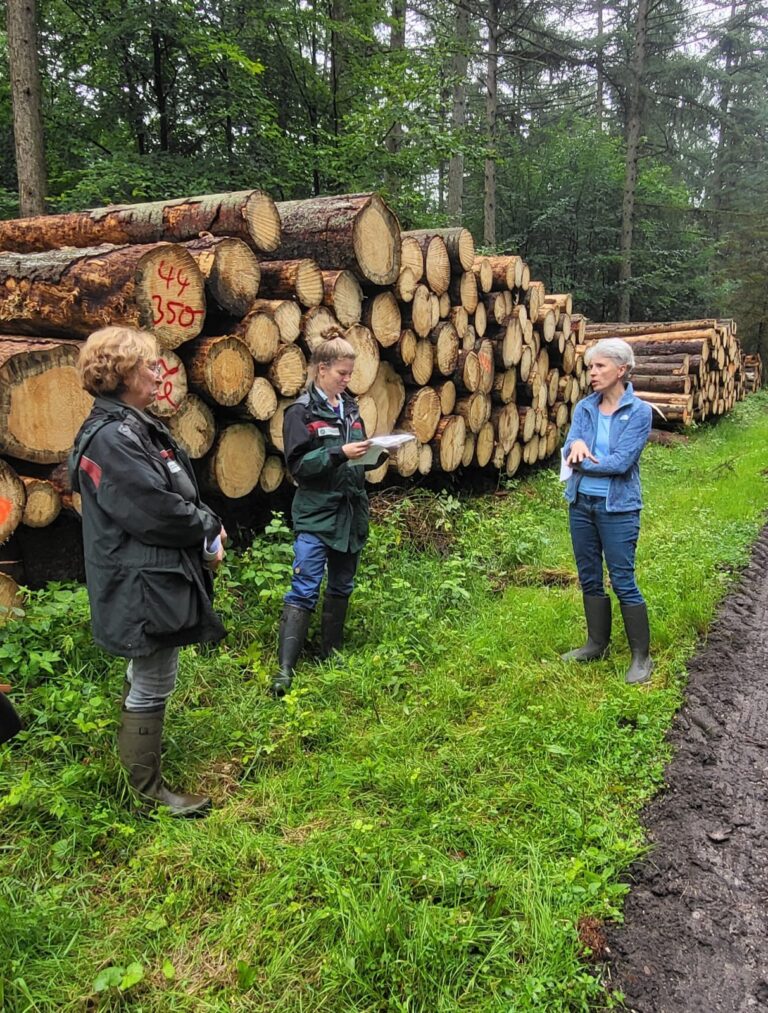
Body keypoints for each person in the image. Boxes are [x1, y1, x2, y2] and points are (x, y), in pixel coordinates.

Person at [69, 326, 226, 816]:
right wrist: (206, 526)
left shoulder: (134, 425)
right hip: (141, 580)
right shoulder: (113, 437)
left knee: (153, 672)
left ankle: (140, 775)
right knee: (154, 676)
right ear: (121, 375)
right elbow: (153, 509)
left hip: (156, 574)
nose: (159, 371)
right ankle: (146, 793)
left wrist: (204, 531)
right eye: (148, 365)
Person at [272, 328, 386, 698]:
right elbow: (299, 468)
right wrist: (339, 454)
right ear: (321, 370)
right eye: (342, 373)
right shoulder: (300, 413)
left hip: (351, 514)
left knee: (342, 585)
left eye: (350, 373)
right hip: (317, 516)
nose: (347, 379)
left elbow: (358, 458)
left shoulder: (350, 409)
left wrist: (377, 454)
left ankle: (330, 655)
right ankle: (285, 670)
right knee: (304, 587)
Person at [561, 338, 654, 684]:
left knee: (623, 580)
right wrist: (578, 445)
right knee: (588, 577)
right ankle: (596, 643)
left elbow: (620, 463)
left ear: (622, 369)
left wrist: (580, 463)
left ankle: (641, 658)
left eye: (599, 366)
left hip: (618, 509)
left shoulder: (639, 412)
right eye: (590, 367)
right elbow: (571, 445)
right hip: (581, 505)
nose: (592, 373)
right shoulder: (585, 407)